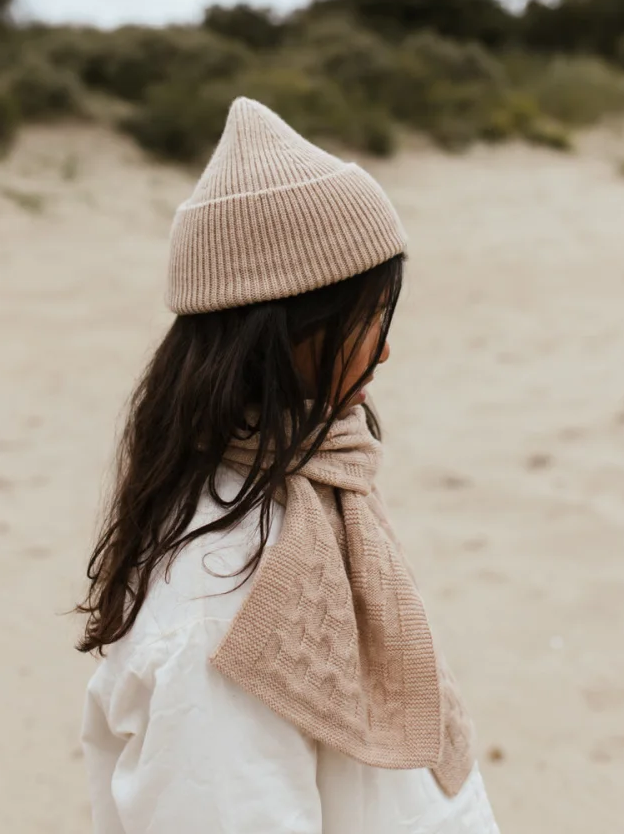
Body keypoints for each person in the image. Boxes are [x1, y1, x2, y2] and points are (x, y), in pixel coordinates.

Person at [77, 97, 501, 833]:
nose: (385, 349)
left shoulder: (317, 491)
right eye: (367, 319)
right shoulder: (217, 603)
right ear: (283, 331)